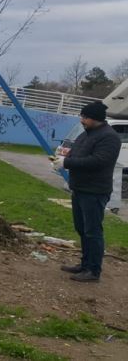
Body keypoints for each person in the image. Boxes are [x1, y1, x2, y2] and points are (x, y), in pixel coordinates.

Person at [52, 101, 120, 282]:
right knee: (81, 229)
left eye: (85, 117)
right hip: (80, 188)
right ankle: (84, 264)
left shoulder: (109, 137)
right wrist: (61, 159)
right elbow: (75, 153)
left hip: (95, 191)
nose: (82, 120)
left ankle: (93, 270)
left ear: (95, 118)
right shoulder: (86, 135)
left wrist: (67, 163)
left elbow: (98, 161)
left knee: (92, 231)